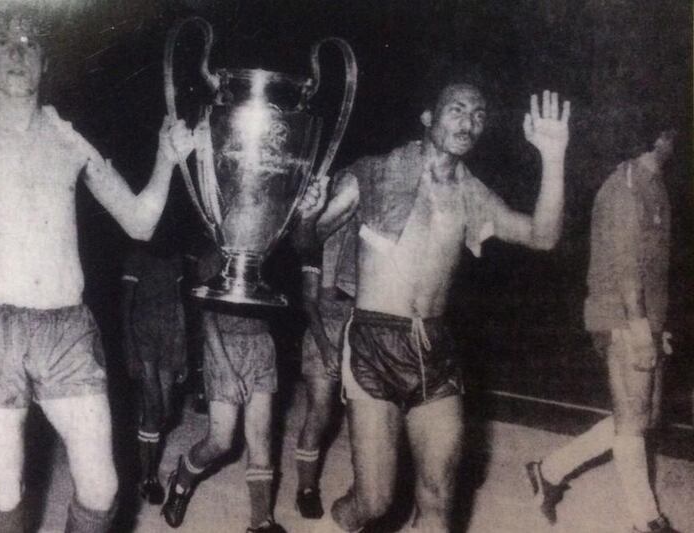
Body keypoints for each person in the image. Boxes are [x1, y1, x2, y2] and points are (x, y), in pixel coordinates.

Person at [0, 10, 193, 533]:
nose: (16, 52)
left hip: (67, 330)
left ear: (44, 62)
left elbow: (140, 222)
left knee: (102, 489)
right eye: (4, 41)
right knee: (6, 489)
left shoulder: (68, 139)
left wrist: (167, 159)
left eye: (29, 45)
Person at [317, 80, 571, 532]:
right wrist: (306, 213)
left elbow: (544, 236)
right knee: (374, 500)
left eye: (478, 114)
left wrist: (553, 157)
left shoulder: (471, 193)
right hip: (376, 340)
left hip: (434, 348)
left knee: (438, 500)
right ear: (428, 118)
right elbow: (309, 236)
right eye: (456, 109)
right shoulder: (376, 172)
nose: (469, 121)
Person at [526, 128, 679, 533]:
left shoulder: (653, 183)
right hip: (622, 316)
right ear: (659, 135)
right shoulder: (627, 185)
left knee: (642, 417)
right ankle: (646, 520)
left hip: (642, 316)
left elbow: (652, 270)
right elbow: (627, 266)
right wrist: (640, 326)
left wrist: (658, 325)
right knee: (633, 420)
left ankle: (549, 471)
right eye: (675, 133)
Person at [161, 246, 287, 533]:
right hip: (224, 348)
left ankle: (261, 521)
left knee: (261, 438)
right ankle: (181, 481)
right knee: (221, 440)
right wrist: (227, 372)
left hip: (261, 345)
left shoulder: (264, 253)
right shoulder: (213, 257)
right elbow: (207, 320)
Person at [291, 213, 358, 519]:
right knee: (320, 412)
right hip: (322, 334)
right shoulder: (316, 244)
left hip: (357, 330)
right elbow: (307, 301)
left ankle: (363, 489)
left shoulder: (367, 245)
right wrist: (327, 347)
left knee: (363, 416)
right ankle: (306, 488)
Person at [120, 242, 187, 505]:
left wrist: (183, 352)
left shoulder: (175, 257)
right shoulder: (136, 256)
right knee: (153, 406)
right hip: (143, 336)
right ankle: (147, 478)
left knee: (166, 412)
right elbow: (124, 308)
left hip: (168, 338)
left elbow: (180, 306)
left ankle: (143, 449)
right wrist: (130, 351)